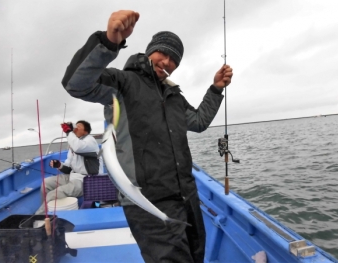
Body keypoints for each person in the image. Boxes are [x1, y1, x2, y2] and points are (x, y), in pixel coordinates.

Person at [62, 10, 233, 263]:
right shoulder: (122, 83)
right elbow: (76, 84)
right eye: (162, 53)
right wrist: (109, 42)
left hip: (186, 195)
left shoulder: (174, 95)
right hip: (144, 198)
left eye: (174, 59)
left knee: (196, 255)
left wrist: (216, 89)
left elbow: (197, 122)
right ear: (150, 50)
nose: (167, 62)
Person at [35, 120, 103, 215]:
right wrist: (59, 165)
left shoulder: (90, 140)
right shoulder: (73, 145)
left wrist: (68, 132)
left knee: (53, 194)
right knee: (46, 184)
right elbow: (68, 167)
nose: (76, 127)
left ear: (85, 131)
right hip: (72, 176)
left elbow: (78, 147)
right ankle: (48, 210)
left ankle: (39, 215)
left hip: (86, 180)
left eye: (79, 126)